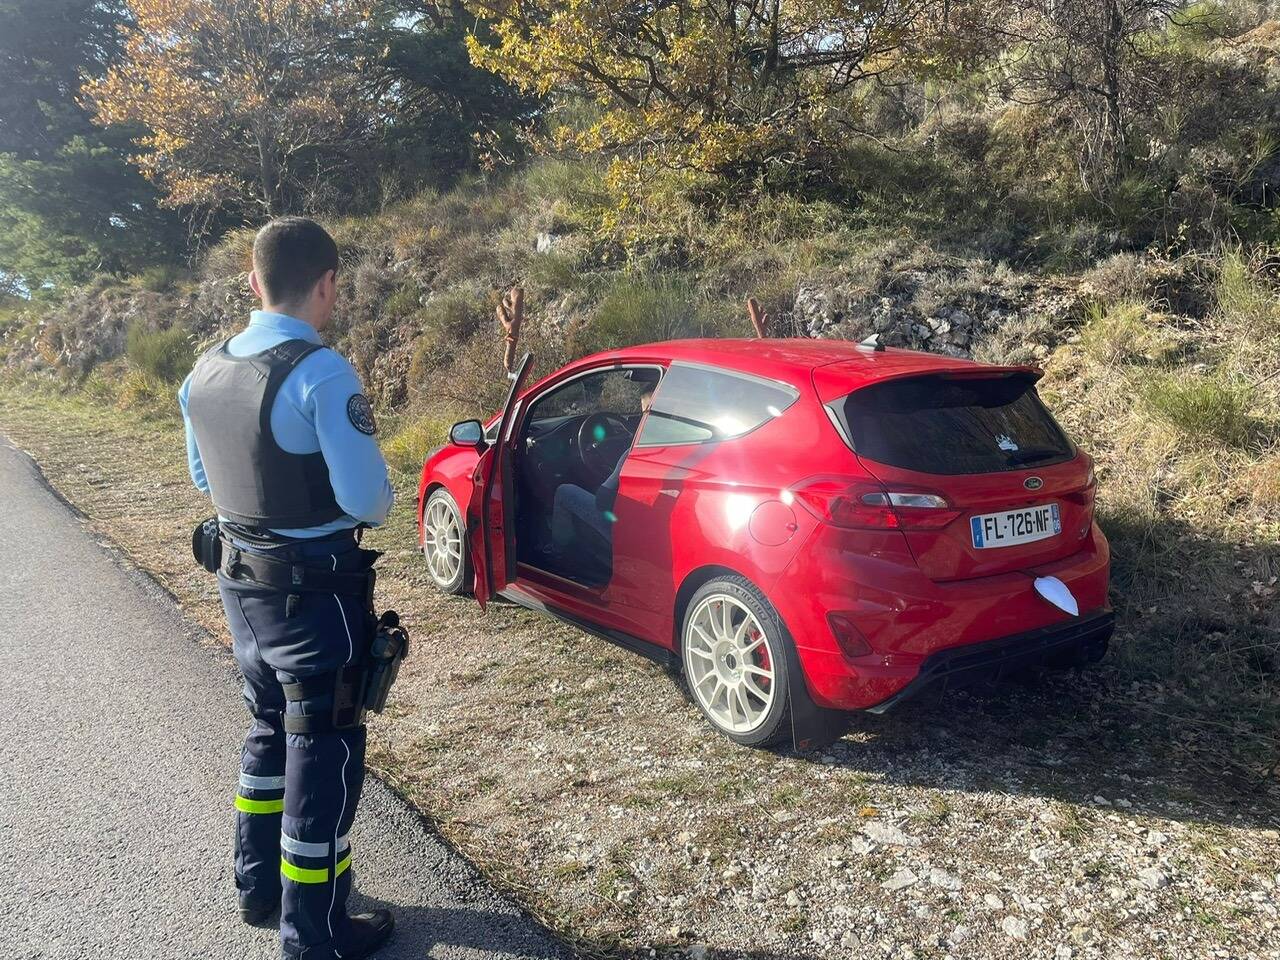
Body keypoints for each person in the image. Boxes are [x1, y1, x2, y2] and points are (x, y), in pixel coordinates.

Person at [178, 217, 396, 960]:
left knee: (269, 727)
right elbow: (370, 502)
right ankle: (317, 931)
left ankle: (258, 887)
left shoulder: (202, 371)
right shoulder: (322, 372)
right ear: (328, 283)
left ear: (252, 281)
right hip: (316, 596)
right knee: (324, 747)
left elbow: (205, 480)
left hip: (241, 588)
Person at [549, 385, 654, 559]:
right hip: (653, 530)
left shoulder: (635, 453)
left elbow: (603, 501)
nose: (643, 419)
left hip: (628, 533)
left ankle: (558, 552)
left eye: (645, 413)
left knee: (564, 492)